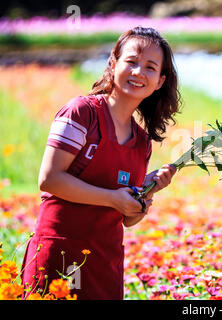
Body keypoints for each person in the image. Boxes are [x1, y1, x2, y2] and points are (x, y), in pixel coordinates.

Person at [20, 26, 180, 300]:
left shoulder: (142, 142)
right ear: (113, 63)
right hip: (60, 253)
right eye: (131, 62)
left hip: (105, 262)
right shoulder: (81, 113)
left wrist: (147, 191)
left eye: (150, 68)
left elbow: (128, 219)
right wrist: (112, 198)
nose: (139, 72)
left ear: (160, 82)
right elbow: (49, 179)